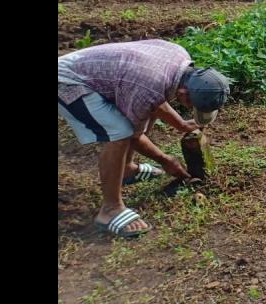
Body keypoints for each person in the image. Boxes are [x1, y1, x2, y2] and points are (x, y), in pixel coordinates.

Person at [58, 39, 231, 237]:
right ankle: (110, 209)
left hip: (95, 72)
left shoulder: (179, 58)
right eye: (193, 105)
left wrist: (181, 124)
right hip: (68, 81)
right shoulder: (148, 86)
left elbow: (154, 98)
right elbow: (134, 134)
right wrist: (166, 160)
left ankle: (127, 169)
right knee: (119, 133)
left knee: (136, 118)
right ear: (183, 93)